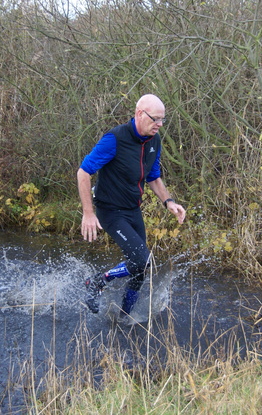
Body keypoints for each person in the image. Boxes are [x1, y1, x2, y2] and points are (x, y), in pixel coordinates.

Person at [77, 94, 186, 316]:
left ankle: (124, 317)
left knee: (140, 270)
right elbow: (83, 172)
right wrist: (88, 213)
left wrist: (169, 201)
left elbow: (153, 177)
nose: (160, 125)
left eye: (163, 120)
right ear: (139, 114)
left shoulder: (154, 141)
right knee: (142, 260)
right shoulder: (115, 138)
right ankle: (98, 280)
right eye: (155, 119)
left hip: (133, 210)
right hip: (111, 212)